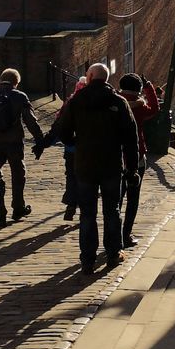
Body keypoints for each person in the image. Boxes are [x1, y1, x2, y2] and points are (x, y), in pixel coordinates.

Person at [57, 62, 140, 272]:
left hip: (85, 165)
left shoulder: (77, 101)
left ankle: (87, 259)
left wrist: (78, 143)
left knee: (87, 213)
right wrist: (132, 169)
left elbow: (63, 131)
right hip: (111, 164)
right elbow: (131, 138)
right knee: (112, 211)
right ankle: (113, 254)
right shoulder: (118, 102)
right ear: (106, 78)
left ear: (90, 76)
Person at [0, 67, 45, 226]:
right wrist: (40, 140)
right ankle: (18, 208)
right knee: (18, 175)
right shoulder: (20, 96)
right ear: (16, 82)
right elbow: (30, 121)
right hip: (13, 142)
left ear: (1, 80)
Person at [35, 75, 88, 220]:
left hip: (71, 149)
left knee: (71, 177)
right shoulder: (96, 101)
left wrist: (44, 143)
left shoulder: (70, 103)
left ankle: (70, 207)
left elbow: (59, 127)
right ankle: (85, 211)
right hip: (91, 150)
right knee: (87, 180)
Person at [118, 72, 159, 248]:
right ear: (138, 90)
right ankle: (125, 235)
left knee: (116, 200)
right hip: (136, 156)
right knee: (132, 200)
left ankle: (113, 234)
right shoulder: (139, 108)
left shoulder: (115, 102)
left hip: (116, 157)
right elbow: (155, 109)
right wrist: (149, 87)